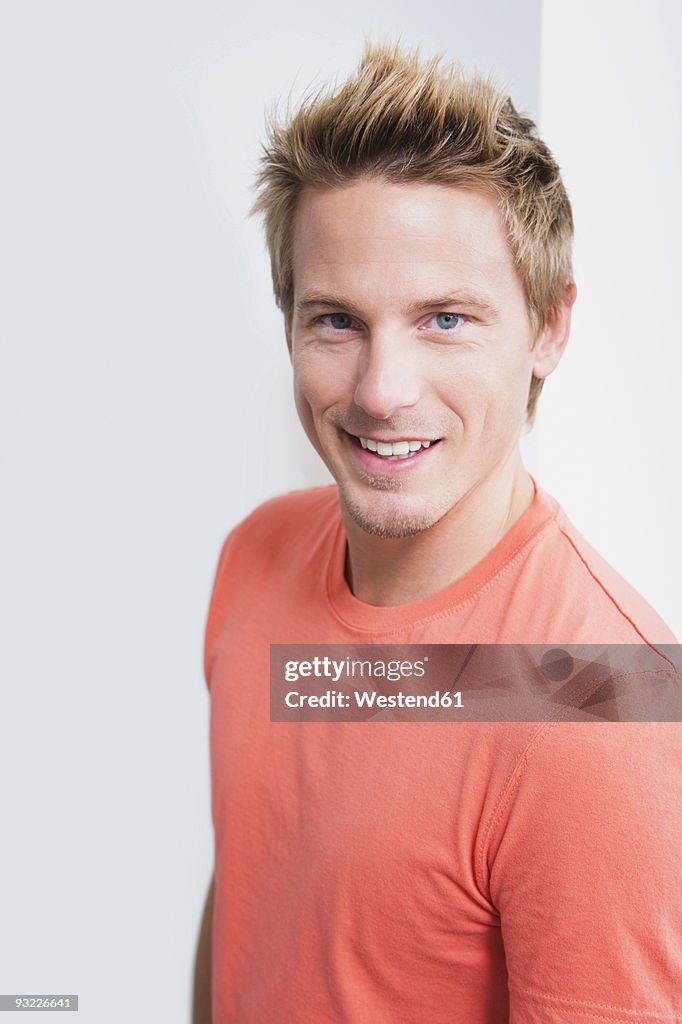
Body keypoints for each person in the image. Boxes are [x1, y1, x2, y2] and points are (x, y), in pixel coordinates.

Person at [193, 44, 680, 1023]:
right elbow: (259, 889)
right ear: (287, 321)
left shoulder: (603, 704)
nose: (381, 390)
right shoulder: (253, 560)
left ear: (548, 326)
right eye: (336, 320)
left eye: (446, 319)